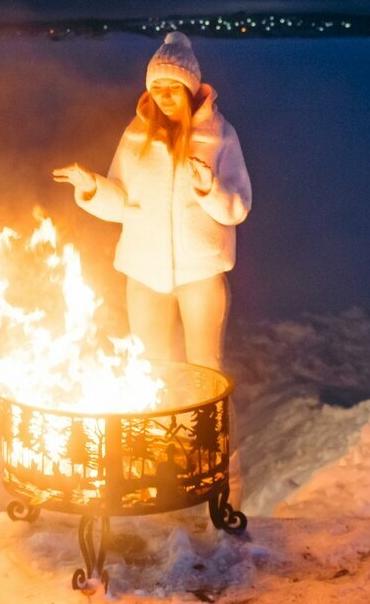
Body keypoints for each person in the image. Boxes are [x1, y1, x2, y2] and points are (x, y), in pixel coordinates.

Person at [53, 31, 251, 371]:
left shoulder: (220, 136)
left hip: (201, 273)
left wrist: (209, 189)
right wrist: (92, 188)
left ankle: (209, 411)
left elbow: (237, 208)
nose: (165, 96)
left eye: (173, 87)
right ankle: (161, 410)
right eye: (157, 87)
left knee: (206, 366)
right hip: (143, 272)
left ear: (189, 89)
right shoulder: (136, 135)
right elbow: (122, 202)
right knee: (152, 367)